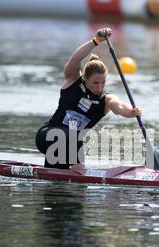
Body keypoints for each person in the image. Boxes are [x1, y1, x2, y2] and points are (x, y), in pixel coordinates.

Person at [35, 28, 142, 169]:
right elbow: (75, 59)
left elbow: (119, 107)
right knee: (74, 137)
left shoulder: (106, 99)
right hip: (47, 136)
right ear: (85, 79)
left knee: (57, 180)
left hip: (65, 148)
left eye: (103, 82)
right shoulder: (73, 80)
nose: (99, 87)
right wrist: (95, 41)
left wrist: (132, 112)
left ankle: (58, 176)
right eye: (95, 82)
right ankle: (80, 180)